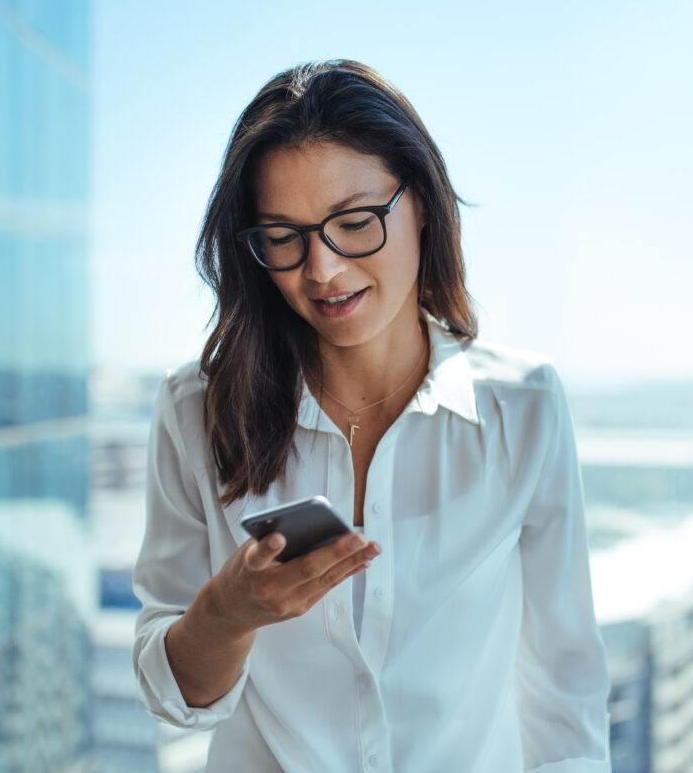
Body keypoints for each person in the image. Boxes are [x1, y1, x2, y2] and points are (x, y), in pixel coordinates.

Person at [132, 60, 612, 772]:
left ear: (421, 204)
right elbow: (176, 697)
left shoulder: (524, 405)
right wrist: (228, 614)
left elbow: (564, 689)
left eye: (354, 223)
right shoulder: (196, 409)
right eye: (282, 237)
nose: (321, 269)